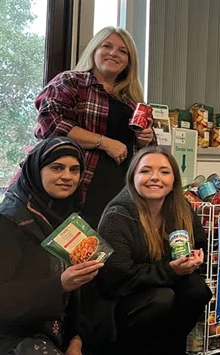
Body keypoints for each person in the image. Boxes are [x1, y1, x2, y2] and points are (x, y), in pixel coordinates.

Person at [84, 146, 210, 355]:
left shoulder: (181, 207)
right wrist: (170, 271)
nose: (155, 177)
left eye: (164, 171)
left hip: (161, 283)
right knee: (161, 298)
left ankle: (170, 347)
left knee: (197, 289)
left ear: (173, 182)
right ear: (133, 177)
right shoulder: (119, 216)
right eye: (145, 171)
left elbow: (199, 242)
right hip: (120, 298)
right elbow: (117, 277)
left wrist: (196, 257)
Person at [34, 26, 156, 228]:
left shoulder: (133, 101)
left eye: (122, 51)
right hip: (76, 191)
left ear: (129, 61)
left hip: (120, 197)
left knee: (106, 255)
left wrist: (146, 138)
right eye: (106, 46)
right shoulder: (71, 82)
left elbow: (149, 154)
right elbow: (52, 125)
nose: (113, 53)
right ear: (94, 51)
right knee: (65, 254)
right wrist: (105, 143)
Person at [0, 137, 101, 355]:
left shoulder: (73, 221)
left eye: (75, 170)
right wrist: (59, 285)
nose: (67, 176)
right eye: (57, 168)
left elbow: (84, 296)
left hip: (61, 335)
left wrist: (77, 338)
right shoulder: (9, 222)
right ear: (37, 171)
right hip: (13, 337)